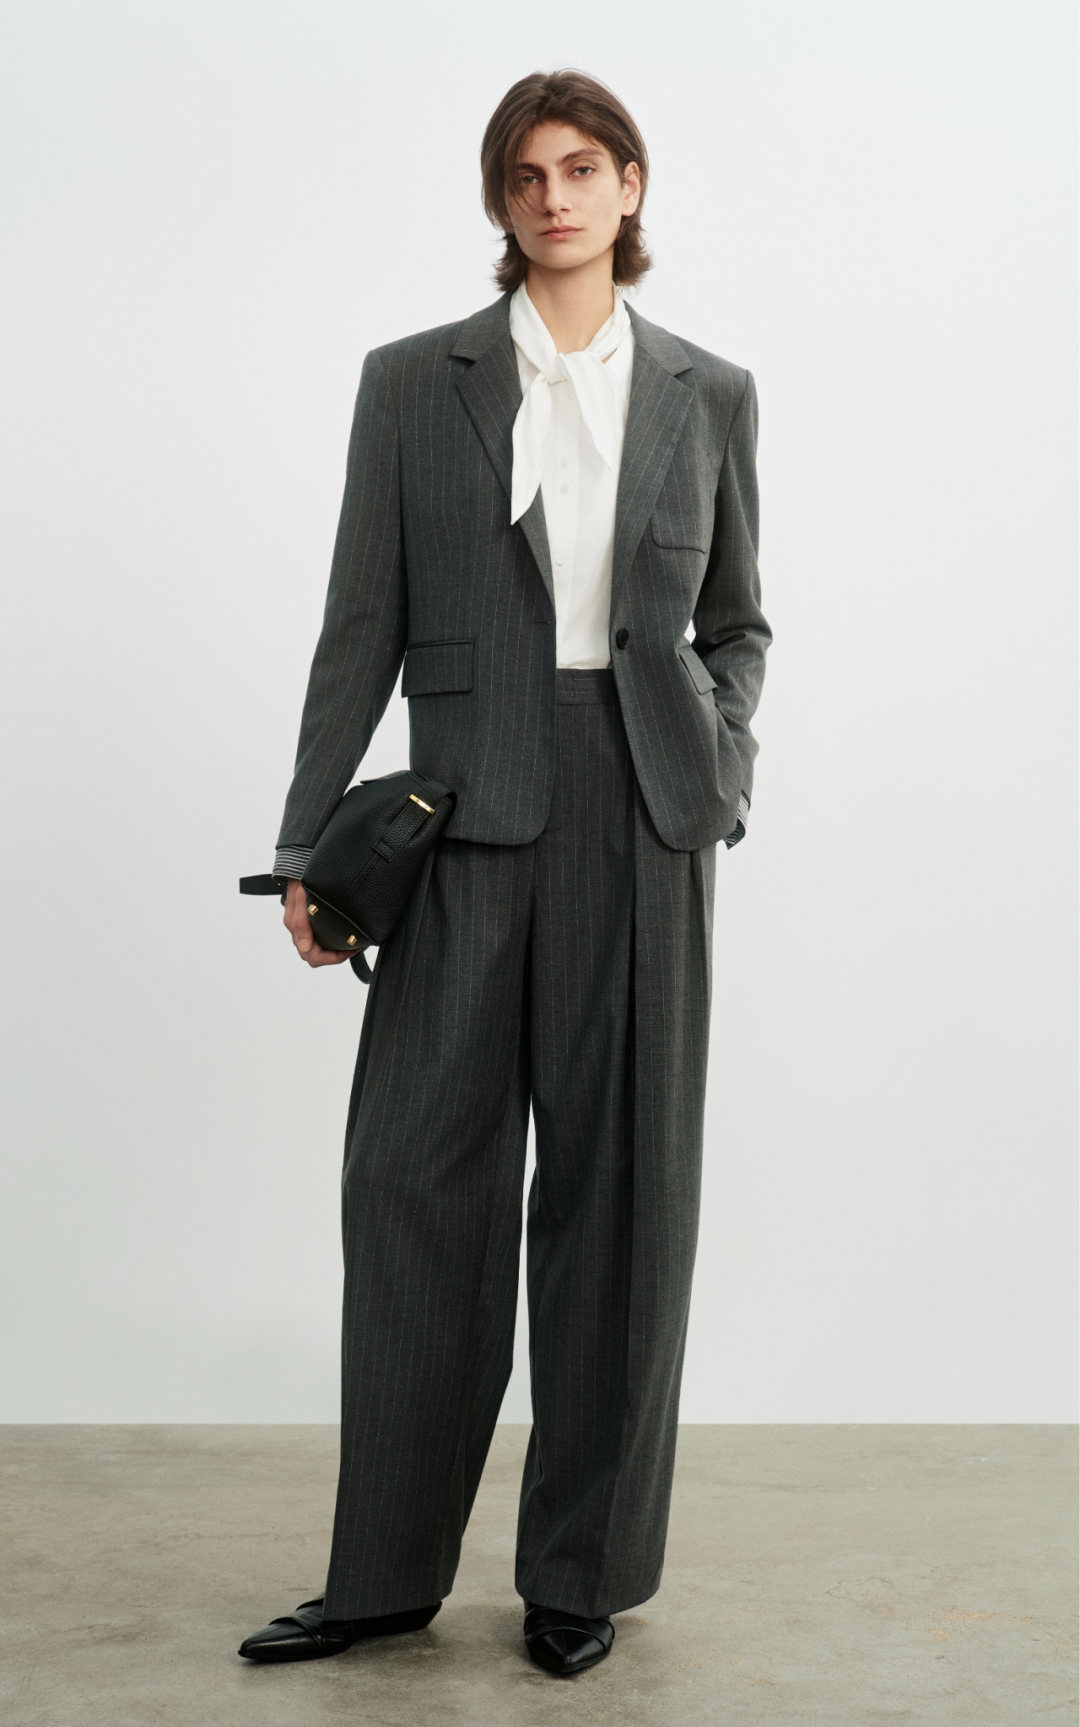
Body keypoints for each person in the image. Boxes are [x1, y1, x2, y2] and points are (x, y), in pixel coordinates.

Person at [238, 68, 770, 1679]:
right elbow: (359, 624)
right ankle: (383, 1574)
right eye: (526, 175)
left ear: (630, 187)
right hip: (461, 817)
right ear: (501, 201)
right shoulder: (416, 383)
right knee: (412, 1188)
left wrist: (720, 757)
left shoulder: (710, 390)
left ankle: (578, 1576)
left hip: (645, 815)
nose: (555, 196)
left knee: (624, 1204)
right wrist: (306, 847)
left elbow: (739, 618)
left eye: (583, 168)